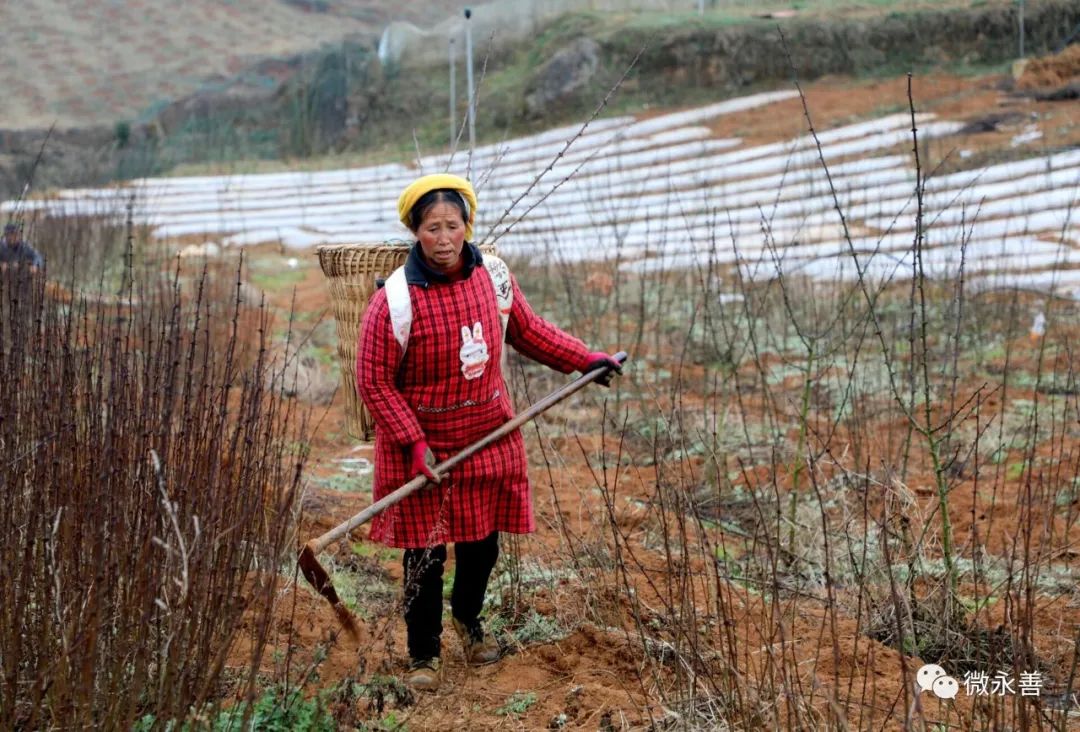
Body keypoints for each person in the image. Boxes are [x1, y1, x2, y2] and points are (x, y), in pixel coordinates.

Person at [357, 173, 621, 692]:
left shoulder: (493, 277)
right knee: (427, 553)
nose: (443, 238)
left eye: (451, 225)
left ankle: (469, 620)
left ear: (466, 225)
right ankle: (423, 654)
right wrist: (413, 442)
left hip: (486, 435)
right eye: (431, 228)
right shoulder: (394, 301)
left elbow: (528, 329)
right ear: (416, 231)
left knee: (481, 544)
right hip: (423, 448)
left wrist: (582, 358)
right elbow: (373, 380)